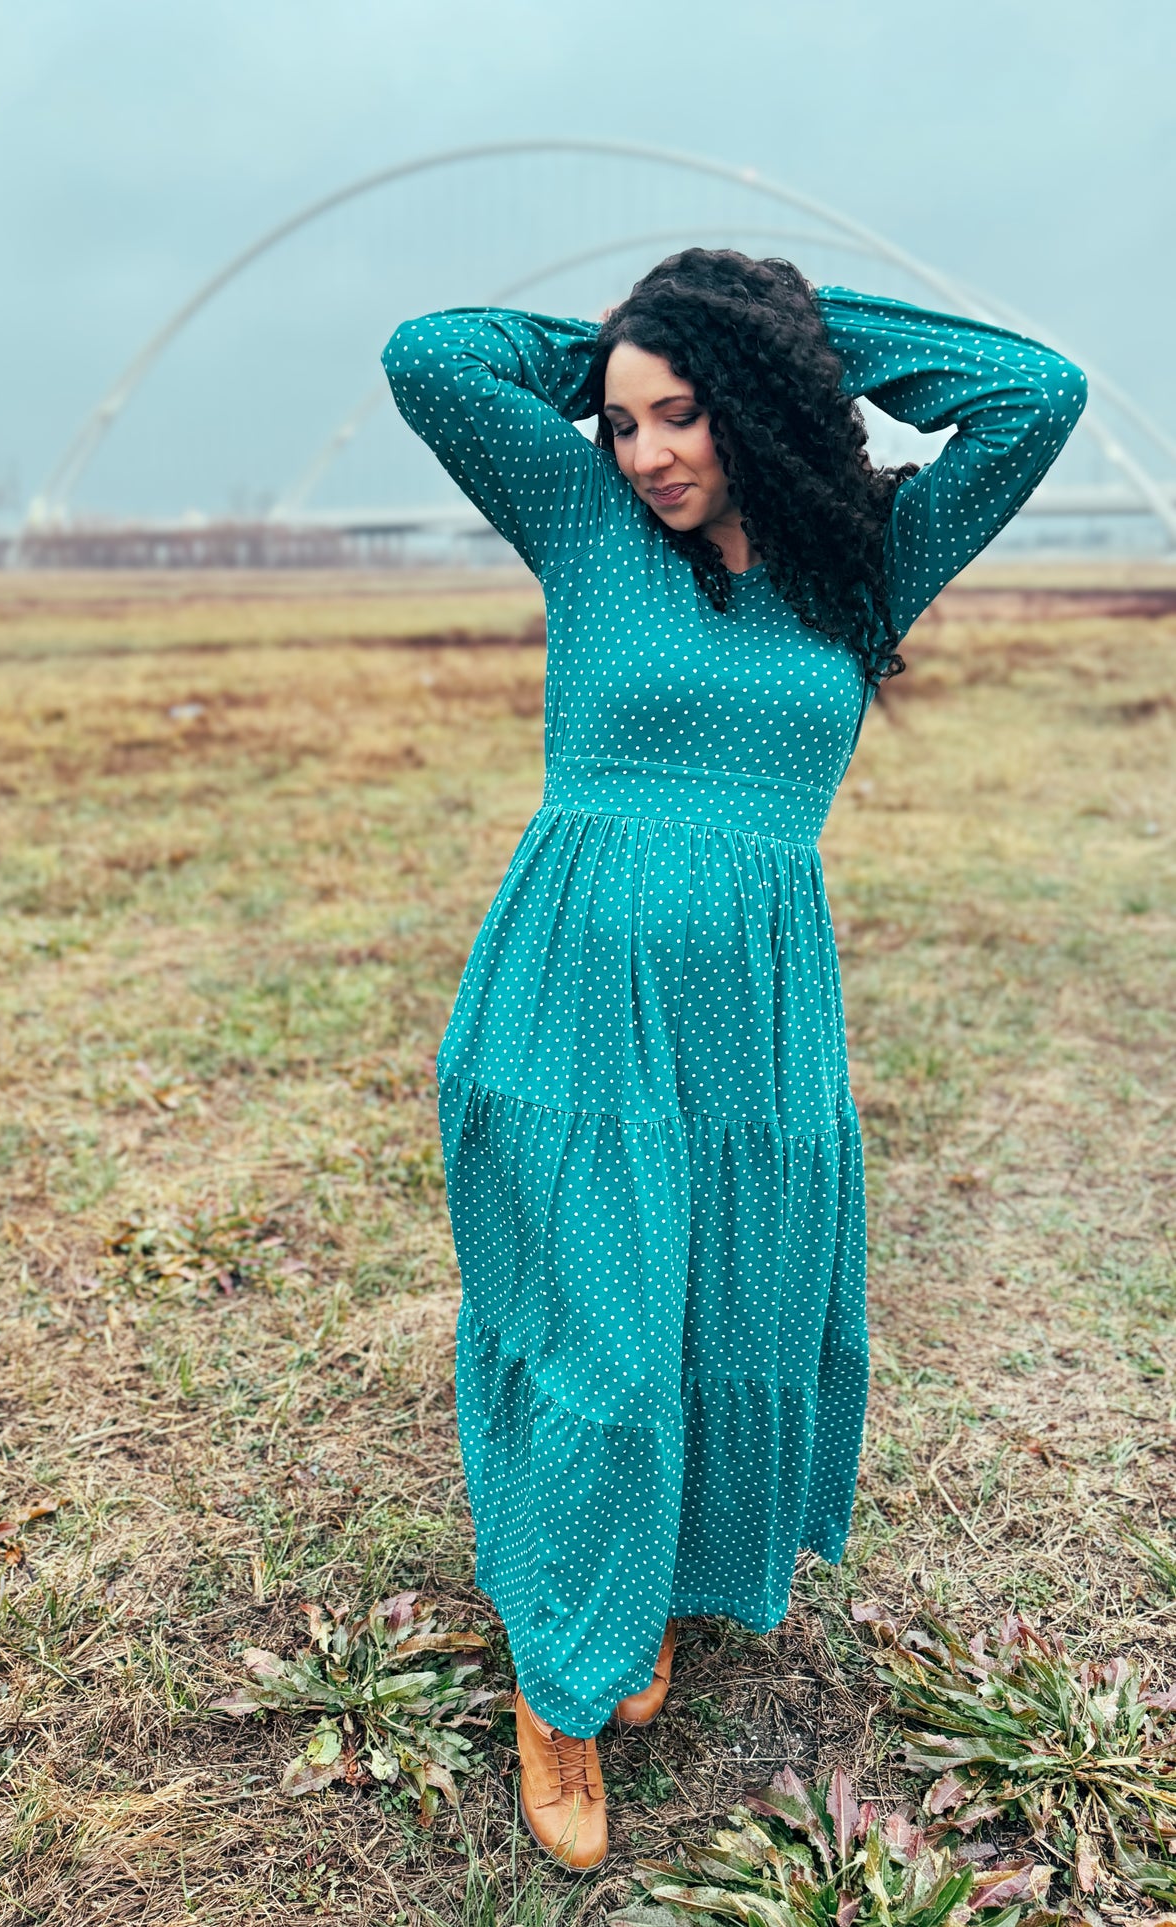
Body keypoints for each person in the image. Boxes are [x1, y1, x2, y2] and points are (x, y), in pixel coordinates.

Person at [381, 250, 1085, 1871]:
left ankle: (647, 1594)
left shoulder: (867, 568)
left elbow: (1032, 397)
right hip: (570, 999)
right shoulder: (586, 532)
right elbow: (432, 356)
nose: (645, 455)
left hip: (757, 1020)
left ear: (758, 405)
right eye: (622, 422)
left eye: (681, 414)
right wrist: (631, 340)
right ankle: (557, 1687)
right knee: (600, 1350)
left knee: (718, 1320)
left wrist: (787, 339)